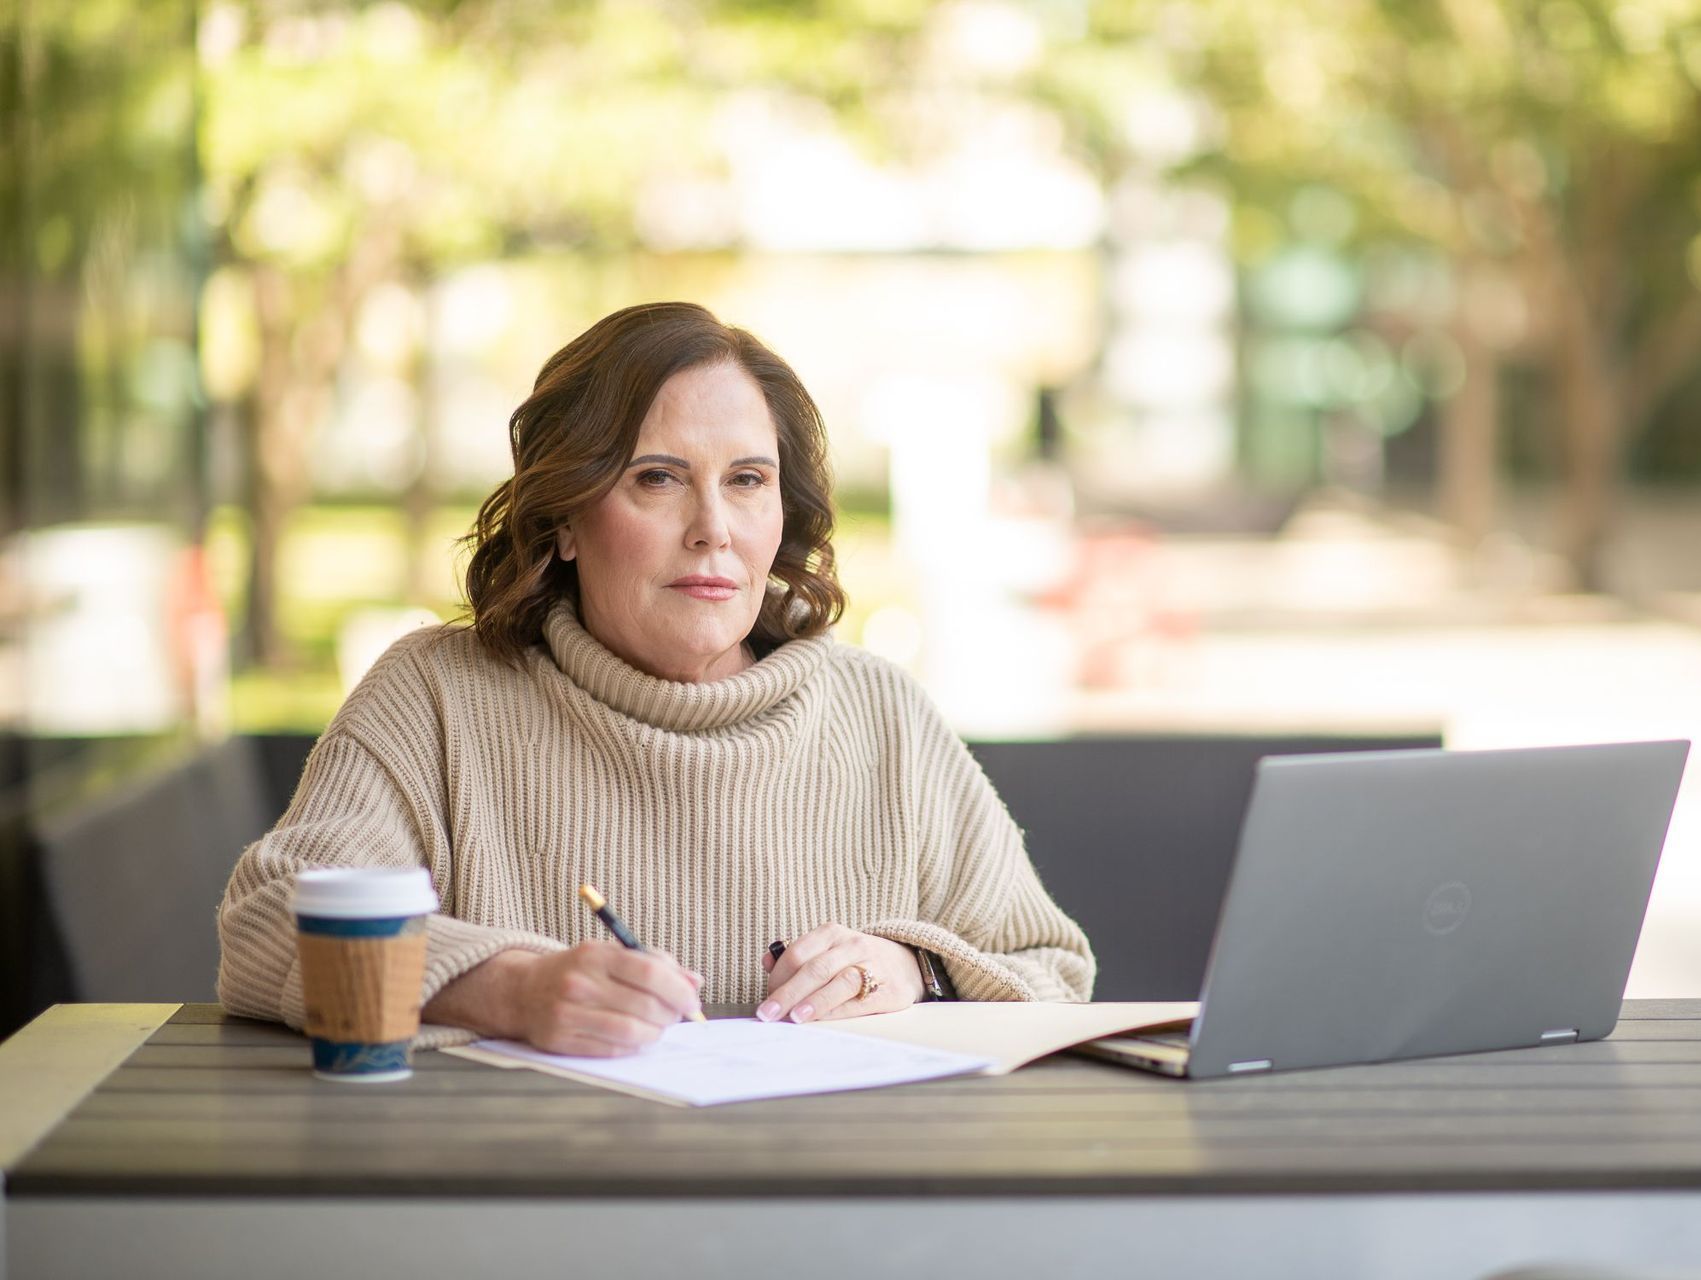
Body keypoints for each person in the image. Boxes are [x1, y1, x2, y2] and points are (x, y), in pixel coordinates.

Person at [216, 302, 1095, 1056]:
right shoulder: (438, 697)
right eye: (657, 479)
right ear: (563, 517)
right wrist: (506, 990)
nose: (713, 528)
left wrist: (915, 969)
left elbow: (1051, 969)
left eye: (747, 480)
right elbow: (263, 928)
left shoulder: (880, 712)